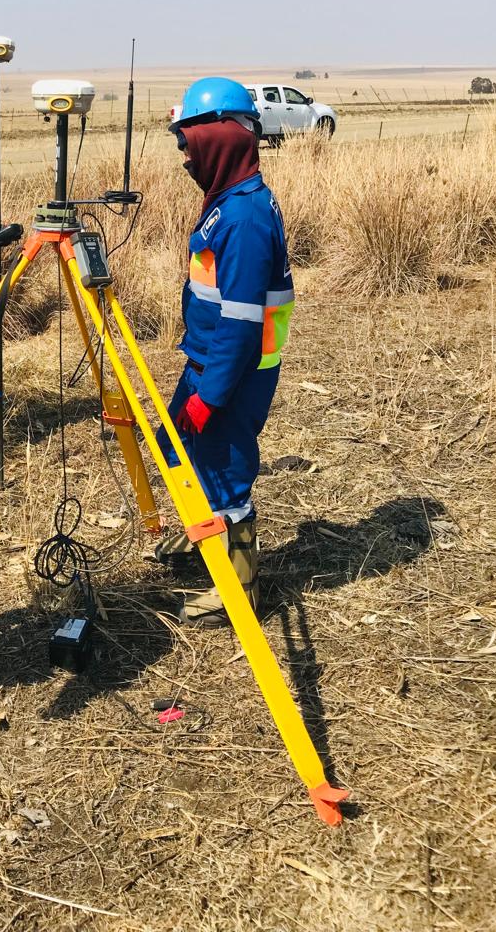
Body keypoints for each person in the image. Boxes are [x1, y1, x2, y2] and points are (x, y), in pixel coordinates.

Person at [157, 77, 294, 627]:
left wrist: (209, 397)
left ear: (217, 139)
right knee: (178, 448)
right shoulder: (231, 200)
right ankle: (206, 537)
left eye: (188, 142)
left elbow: (240, 322)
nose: (185, 158)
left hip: (234, 372)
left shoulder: (244, 216)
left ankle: (239, 590)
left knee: (224, 471)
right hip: (210, 362)